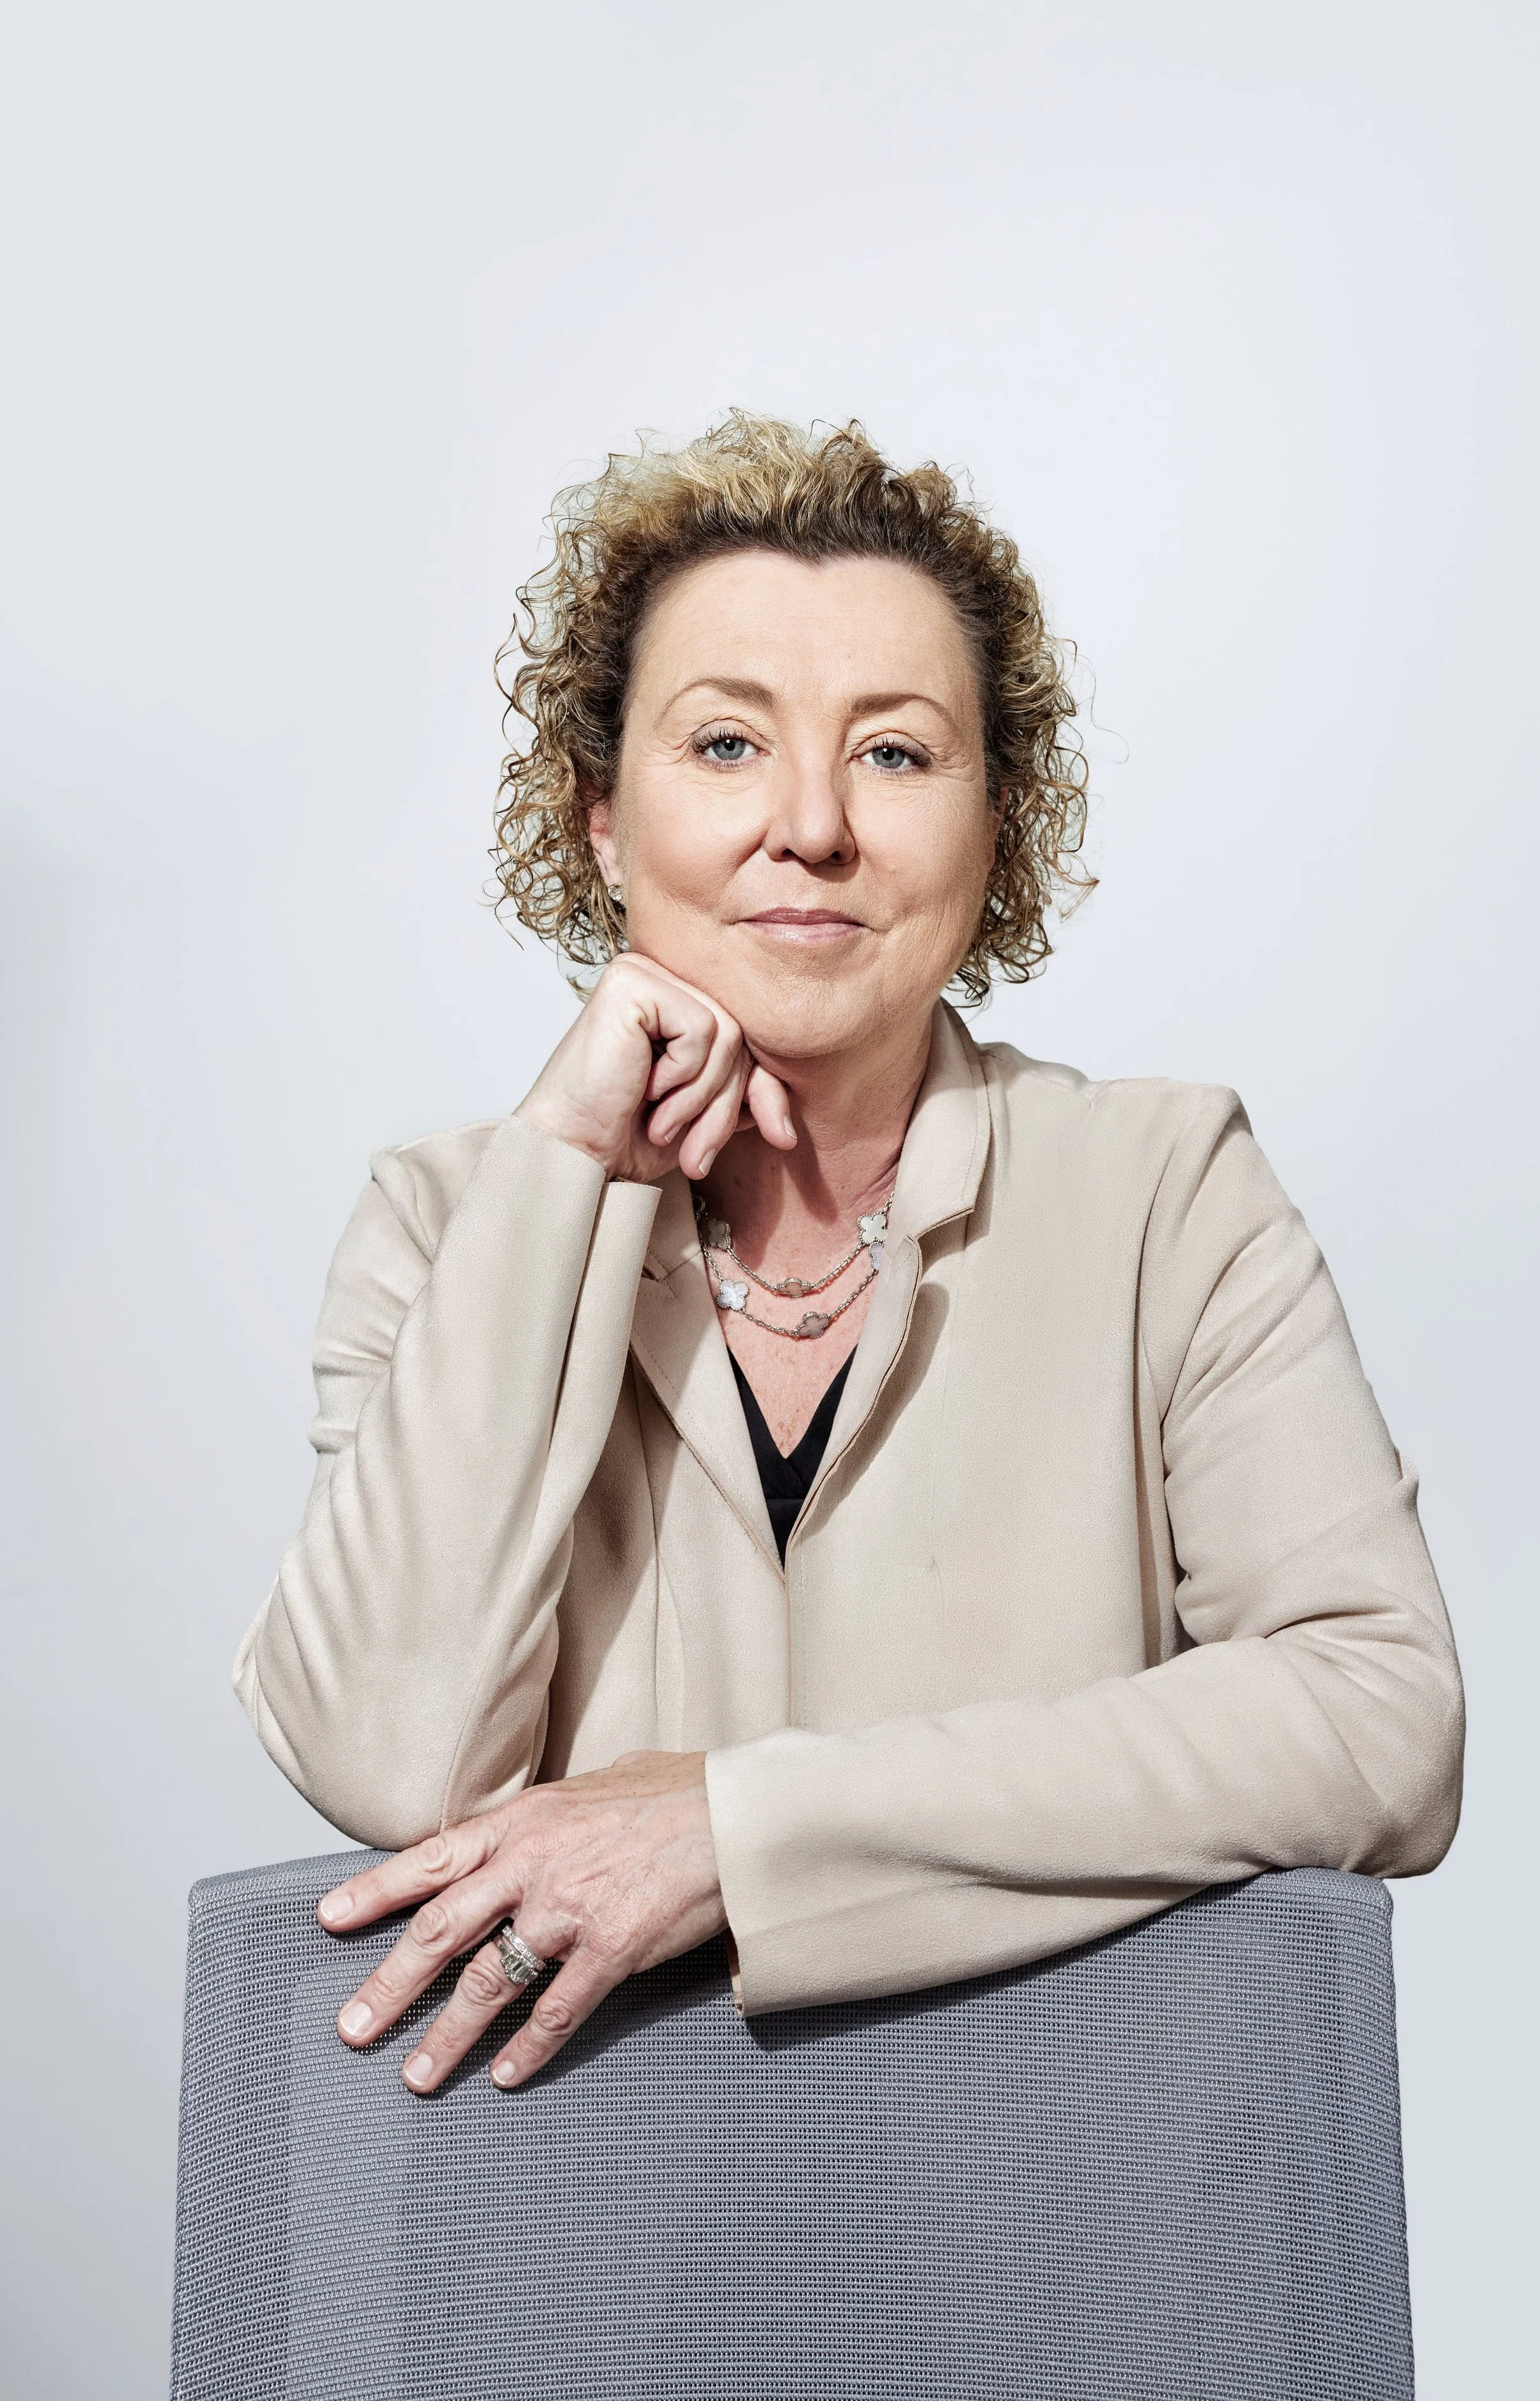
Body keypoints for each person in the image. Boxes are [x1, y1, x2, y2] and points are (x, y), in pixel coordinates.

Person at [234, 413, 1464, 2095]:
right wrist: (561, 1175)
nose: (809, 825)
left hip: (1071, 2185)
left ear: (994, 825)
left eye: (892, 753)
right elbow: (383, 1757)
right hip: (577, 2199)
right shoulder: (447, 1220)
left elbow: (1380, 1716)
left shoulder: (1166, 1188)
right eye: (725, 743)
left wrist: (738, 1828)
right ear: (600, 818)